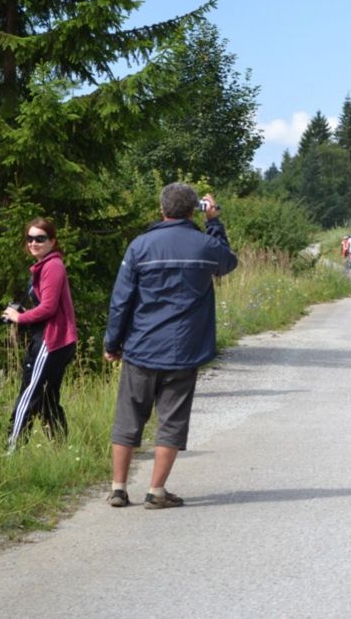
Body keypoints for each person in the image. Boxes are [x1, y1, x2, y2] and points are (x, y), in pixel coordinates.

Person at [103, 183, 238, 509]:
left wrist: (113, 342)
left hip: (141, 346)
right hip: (183, 351)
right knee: (171, 421)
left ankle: (119, 488)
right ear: (194, 210)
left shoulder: (140, 246)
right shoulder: (205, 244)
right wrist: (215, 222)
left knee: (128, 418)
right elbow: (228, 263)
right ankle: (156, 491)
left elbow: (121, 300)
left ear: (162, 209)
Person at [3, 218, 78, 450]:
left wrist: (19, 318)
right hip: (57, 340)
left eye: (40, 238)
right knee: (47, 399)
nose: (34, 243)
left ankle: (11, 451)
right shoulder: (45, 265)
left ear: (52, 241)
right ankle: (61, 449)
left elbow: (49, 308)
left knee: (30, 394)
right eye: (30, 239)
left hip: (51, 341)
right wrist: (24, 312)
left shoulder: (52, 266)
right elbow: (47, 306)